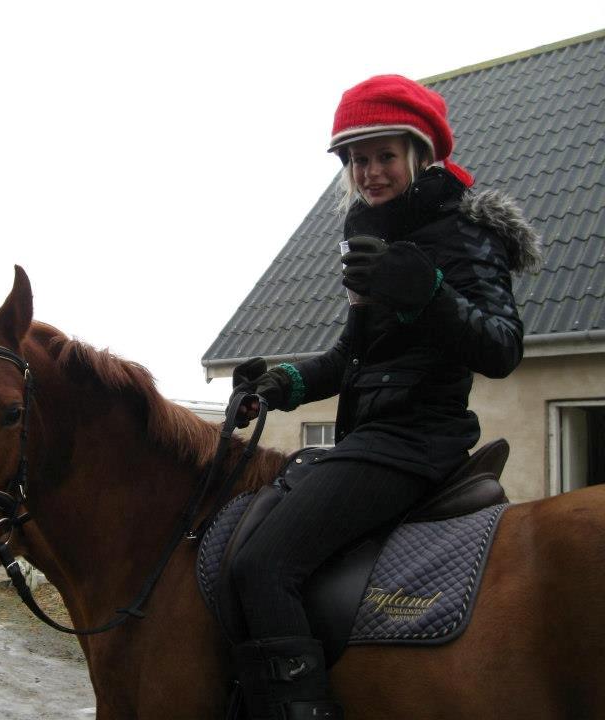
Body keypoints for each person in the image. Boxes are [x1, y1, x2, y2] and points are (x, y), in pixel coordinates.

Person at [227, 75, 542, 719]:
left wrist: (426, 292)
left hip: (417, 443)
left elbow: (503, 348)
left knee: (262, 564)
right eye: (358, 159)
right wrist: (279, 384)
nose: (371, 173)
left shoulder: (464, 232)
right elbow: (352, 359)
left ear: (419, 152)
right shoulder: (370, 233)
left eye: (385, 156)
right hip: (371, 440)